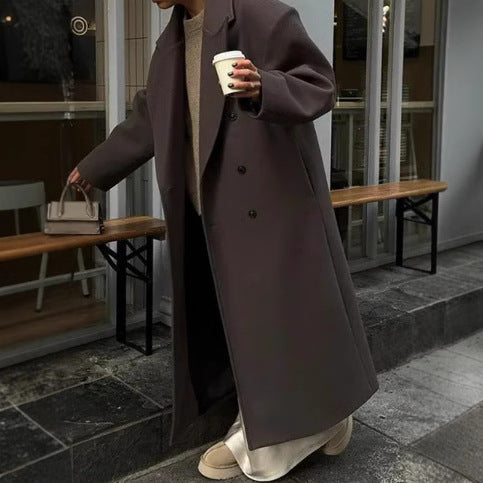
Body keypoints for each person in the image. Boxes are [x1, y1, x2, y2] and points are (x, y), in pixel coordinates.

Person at [69, 0, 379, 480]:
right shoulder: (171, 42)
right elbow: (150, 118)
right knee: (246, 326)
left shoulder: (260, 15)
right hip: (209, 213)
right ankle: (313, 419)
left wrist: (265, 87)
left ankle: (266, 438)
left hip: (270, 206)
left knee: (274, 324)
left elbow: (321, 84)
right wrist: (94, 168)